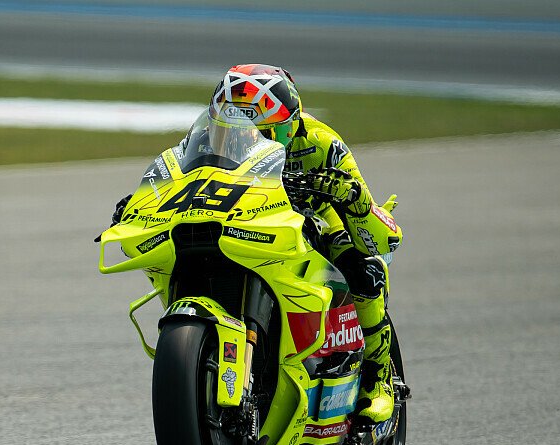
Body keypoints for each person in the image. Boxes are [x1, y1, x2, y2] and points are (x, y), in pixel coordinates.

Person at [115, 64, 403, 425]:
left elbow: (379, 233)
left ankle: (379, 379)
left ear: (288, 125)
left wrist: (352, 197)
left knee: (363, 268)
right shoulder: (207, 139)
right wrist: (141, 202)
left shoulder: (322, 144)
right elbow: (180, 171)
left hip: (310, 221)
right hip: (245, 217)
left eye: (260, 132)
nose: (246, 138)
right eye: (232, 129)